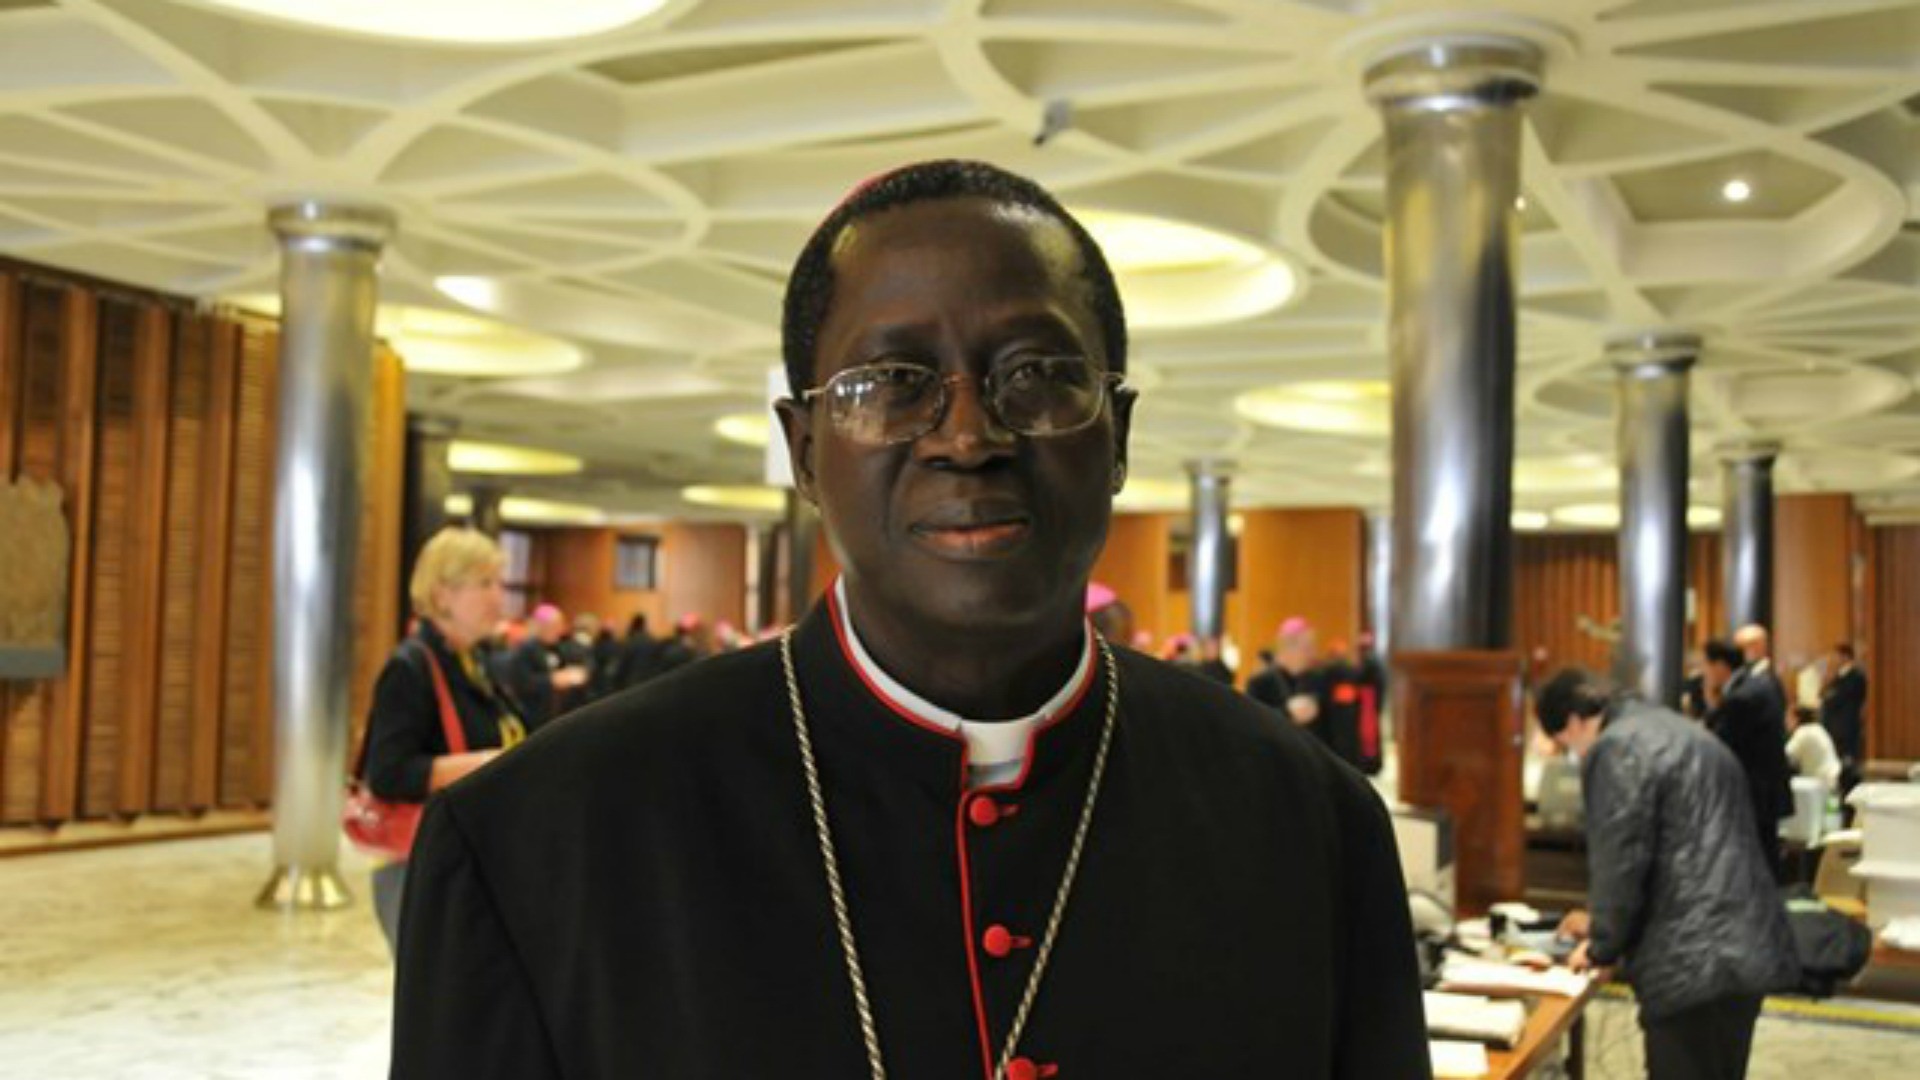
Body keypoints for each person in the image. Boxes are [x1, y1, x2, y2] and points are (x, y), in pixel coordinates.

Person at [390, 159, 1428, 1079]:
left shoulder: (1312, 825)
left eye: (1038, 376)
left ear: (1116, 438)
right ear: (803, 452)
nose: (968, 435)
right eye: (891, 383)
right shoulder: (539, 838)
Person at [1537, 668, 1796, 1080]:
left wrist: (1602, 945)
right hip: (1744, 945)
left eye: (1564, 743)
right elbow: (1686, 849)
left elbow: (1623, 856)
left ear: (1571, 721)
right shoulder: (1685, 733)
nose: (1574, 755)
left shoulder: (1616, 747)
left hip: (1690, 959)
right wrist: (1600, 923)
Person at [357, 527, 529, 950]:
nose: (498, 597)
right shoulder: (411, 668)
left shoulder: (474, 663)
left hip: (472, 860)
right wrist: (487, 763)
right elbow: (389, 772)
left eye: (499, 583)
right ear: (441, 595)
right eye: (484, 584)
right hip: (422, 868)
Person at [1705, 637, 1793, 879]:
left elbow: (1717, 743)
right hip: (1767, 792)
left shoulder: (1741, 697)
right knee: (1766, 859)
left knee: (1755, 866)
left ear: (1720, 666)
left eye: (1707, 667)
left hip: (1754, 794)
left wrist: (1711, 703)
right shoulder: (1762, 684)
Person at [501, 603, 587, 727]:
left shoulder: (560, 648)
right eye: (553, 626)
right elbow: (521, 682)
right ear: (541, 626)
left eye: (560, 625)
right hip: (532, 717)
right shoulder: (526, 649)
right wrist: (552, 680)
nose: (558, 630)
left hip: (557, 716)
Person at [1820, 643, 1867, 766]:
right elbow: (1824, 695)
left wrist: (1830, 695)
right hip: (1834, 727)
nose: (1834, 659)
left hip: (1847, 727)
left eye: (1836, 656)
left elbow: (1838, 697)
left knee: (1848, 761)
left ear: (1845, 657)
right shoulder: (1837, 676)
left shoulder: (1857, 676)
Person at [1786, 705, 1842, 791]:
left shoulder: (1803, 732)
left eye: (1788, 718)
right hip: (1833, 779)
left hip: (1820, 782)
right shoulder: (1818, 728)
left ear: (1796, 719)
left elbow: (1786, 755)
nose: (1786, 722)